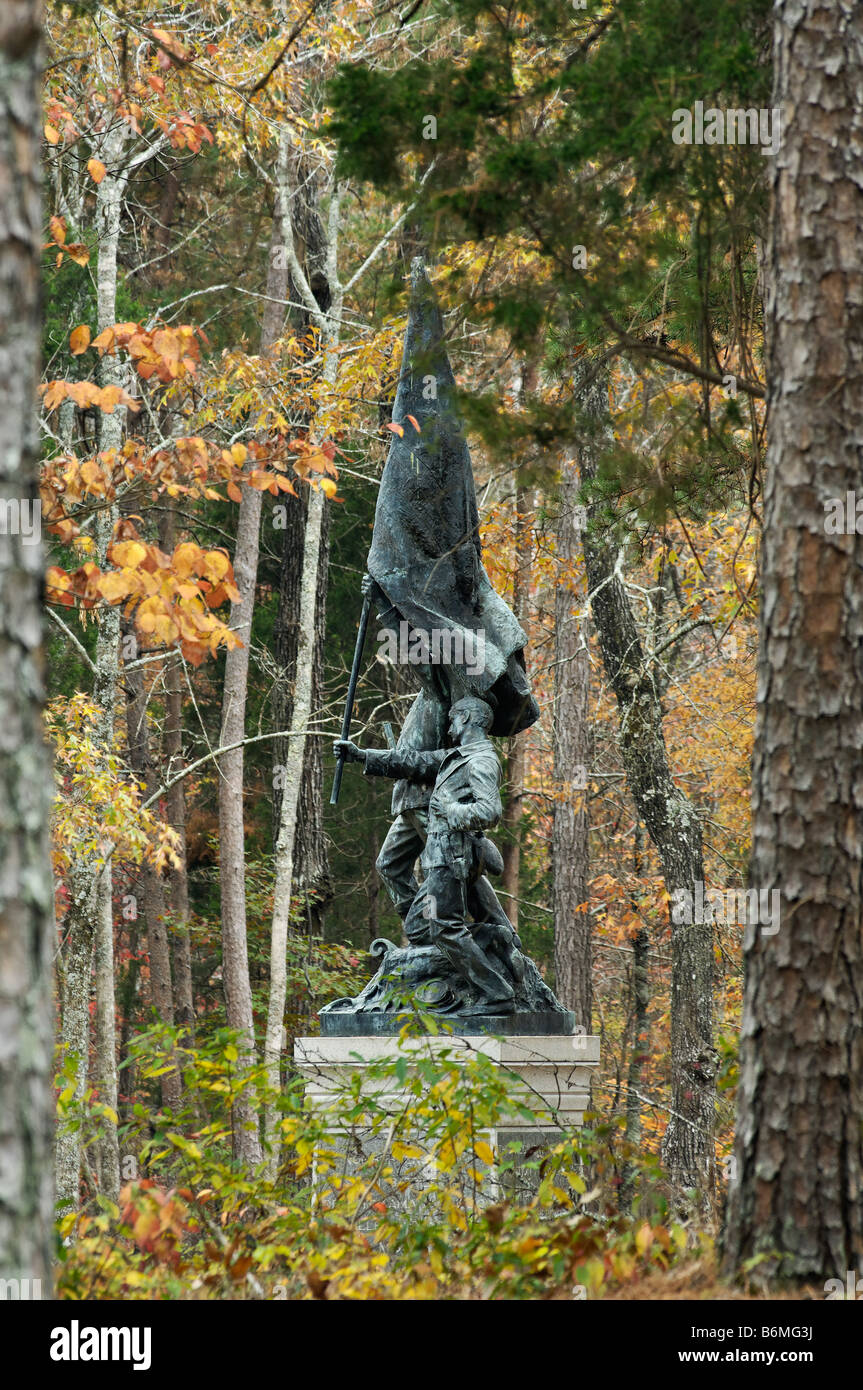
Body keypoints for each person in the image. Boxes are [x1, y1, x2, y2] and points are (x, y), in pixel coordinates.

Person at [335, 695, 519, 1012]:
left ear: (466, 719)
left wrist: (451, 811)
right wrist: (361, 756)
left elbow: (490, 812)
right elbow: (414, 762)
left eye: (452, 719)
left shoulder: (482, 761)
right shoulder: (456, 756)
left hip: (452, 856)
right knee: (421, 928)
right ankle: (490, 937)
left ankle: (498, 992)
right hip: (439, 855)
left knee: (444, 928)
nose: (448, 725)